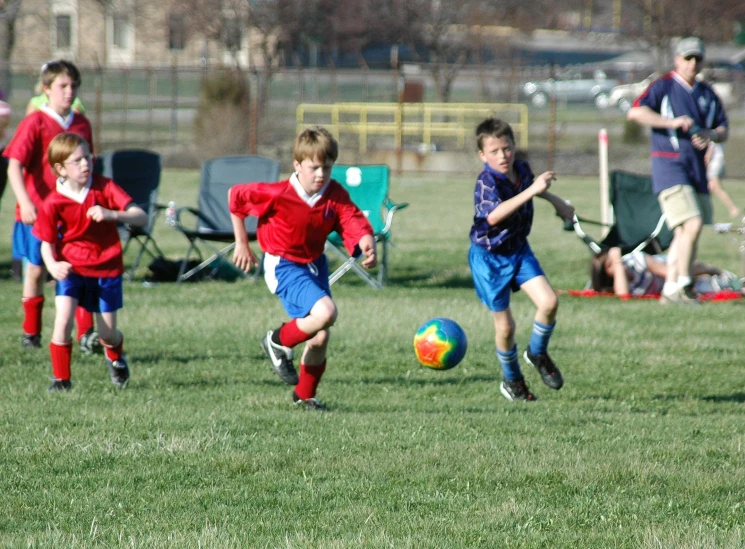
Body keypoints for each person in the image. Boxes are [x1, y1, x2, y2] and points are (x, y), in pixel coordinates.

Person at [228, 126, 376, 411]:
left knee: (320, 335)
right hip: (284, 263)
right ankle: (277, 340)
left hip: (314, 265)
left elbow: (352, 219)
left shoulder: (334, 194)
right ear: (297, 165)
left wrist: (365, 241)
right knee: (327, 313)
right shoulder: (278, 193)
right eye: (314, 167)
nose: (321, 174)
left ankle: (305, 396)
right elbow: (236, 197)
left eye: (327, 167)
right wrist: (241, 243)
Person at [468, 117, 574, 402]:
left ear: (514, 146)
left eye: (507, 148)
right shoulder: (486, 181)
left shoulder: (522, 170)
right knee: (506, 327)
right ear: (482, 155)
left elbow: (533, 189)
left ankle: (537, 352)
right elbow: (494, 215)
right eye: (494, 151)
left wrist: (557, 203)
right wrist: (533, 191)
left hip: (518, 250)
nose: (502, 156)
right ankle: (512, 381)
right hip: (489, 259)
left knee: (550, 302)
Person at [33, 133, 147, 391]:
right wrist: (52, 265)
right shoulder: (53, 201)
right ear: (60, 168)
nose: (85, 164)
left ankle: (116, 357)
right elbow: (46, 241)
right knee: (63, 321)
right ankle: (61, 380)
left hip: (106, 267)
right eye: (77, 160)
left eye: (88, 158)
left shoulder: (104, 187)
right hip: (72, 268)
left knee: (107, 334)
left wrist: (112, 214)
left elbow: (141, 217)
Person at [3, 59, 100, 353]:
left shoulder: (81, 123)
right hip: (38, 214)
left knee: (80, 270)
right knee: (35, 271)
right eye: (62, 86)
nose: (69, 92)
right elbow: (14, 166)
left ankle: (86, 335)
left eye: (74, 86)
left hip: (73, 215)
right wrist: (25, 202)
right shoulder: (35, 122)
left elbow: (89, 165)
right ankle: (31, 333)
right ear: (46, 89)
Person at [627, 37, 728, 305]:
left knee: (687, 232)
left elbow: (722, 129)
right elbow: (636, 113)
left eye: (697, 58)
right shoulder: (664, 86)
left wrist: (709, 135)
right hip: (670, 167)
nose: (692, 63)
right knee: (691, 223)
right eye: (687, 58)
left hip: (697, 171)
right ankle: (684, 284)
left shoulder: (707, 93)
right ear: (677, 59)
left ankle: (671, 288)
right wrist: (670, 123)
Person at [590, 246, 741, 297]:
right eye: (611, 265)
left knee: (696, 273)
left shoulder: (636, 260)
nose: (618, 263)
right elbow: (624, 295)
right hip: (666, 283)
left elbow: (670, 273)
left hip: (671, 270)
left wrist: (688, 282)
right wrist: (616, 262)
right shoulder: (617, 284)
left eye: (616, 260)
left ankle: (718, 272)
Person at [705, 143, 741, 219]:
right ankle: (704, 210)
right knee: (710, 188)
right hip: (719, 163)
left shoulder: (711, 135)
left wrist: (706, 164)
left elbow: (708, 154)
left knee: (717, 188)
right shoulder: (718, 136)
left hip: (714, 165)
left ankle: (733, 208)